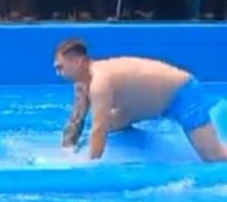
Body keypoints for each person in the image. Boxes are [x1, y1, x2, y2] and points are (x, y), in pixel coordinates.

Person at [54, 37, 227, 162]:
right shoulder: (81, 85)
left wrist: (90, 167)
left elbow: (100, 129)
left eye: (60, 67)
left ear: (77, 62)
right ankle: (143, 145)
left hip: (182, 94)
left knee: (214, 157)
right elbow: (76, 120)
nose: (58, 73)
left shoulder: (100, 81)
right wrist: (67, 151)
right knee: (112, 123)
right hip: (151, 104)